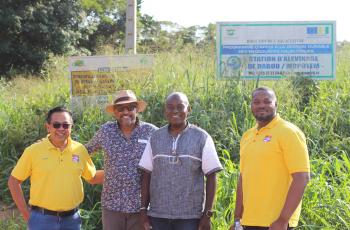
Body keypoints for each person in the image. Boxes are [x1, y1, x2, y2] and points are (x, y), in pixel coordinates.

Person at [8, 106, 104, 230]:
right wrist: (27, 215)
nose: (61, 129)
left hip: (72, 220)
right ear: (48, 127)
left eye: (65, 125)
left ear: (71, 127)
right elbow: (14, 181)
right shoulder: (33, 151)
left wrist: (118, 171)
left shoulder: (79, 150)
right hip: (41, 220)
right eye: (56, 125)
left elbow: (92, 177)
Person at [139, 92, 223, 230]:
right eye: (170, 107)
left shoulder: (202, 138)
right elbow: (146, 174)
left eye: (180, 106)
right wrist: (143, 210)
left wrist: (207, 215)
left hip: (190, 217)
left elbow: (212, 176)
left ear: (188, 109)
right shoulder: (155, 137)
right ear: (165, 111)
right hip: (158, 215)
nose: (175, 111)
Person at [230, 87, 310, 230]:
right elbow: (243, 178)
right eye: (257, 102)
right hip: (248, 221)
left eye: (267, 101)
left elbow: (302, 177)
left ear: (276, 104)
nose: (262, 105)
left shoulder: (289, 132)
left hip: (276, 223)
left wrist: (283, 219)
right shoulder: (247, 136)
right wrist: (237, 219)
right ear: (251, 106)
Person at [85, 89, 157, 230]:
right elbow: (84, 151)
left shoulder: (151, 131)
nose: (125, 112)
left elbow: (169, 148)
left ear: (137, 110)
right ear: (115, 112)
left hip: (141, 207)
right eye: (120, 108)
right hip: (112, 207)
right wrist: (92, 175)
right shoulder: (106, 131)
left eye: (130, 108)